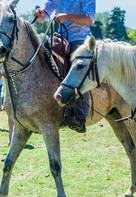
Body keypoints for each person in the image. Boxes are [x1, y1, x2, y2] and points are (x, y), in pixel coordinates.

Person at [34, 0, 96, 133]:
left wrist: (67, 16)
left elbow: (90, 19)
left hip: (80, 39)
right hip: (61, 38)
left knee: (78, 67)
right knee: (43, 60)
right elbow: (44, 17)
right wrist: (39, 14)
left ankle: (79, 116)